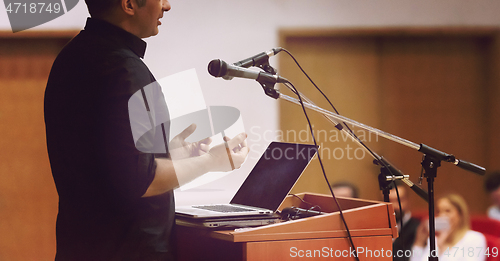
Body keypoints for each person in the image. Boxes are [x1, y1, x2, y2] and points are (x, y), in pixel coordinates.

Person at [44, 0, 249, 260]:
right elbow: (141, 179)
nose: (167, 5)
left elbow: (106, 163)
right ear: (129, 4)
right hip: (129, 249)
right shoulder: (126, 70)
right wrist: (212, 161)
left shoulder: (70, 58)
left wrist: (171, 155)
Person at [410, 194, 486, 261]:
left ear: (460, 215)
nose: (442, 216)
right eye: (438, 211)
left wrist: (442, 248)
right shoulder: (434, 240)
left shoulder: (475, 238)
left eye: (447, 211)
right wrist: (419, 242)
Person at [390, 185, 421, 261]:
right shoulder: (378, 227)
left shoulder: (418, 228)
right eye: (389, 201)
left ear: (408, 200)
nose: (394, 206)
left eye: (399, 200)